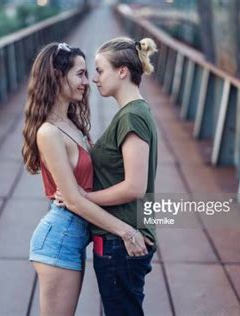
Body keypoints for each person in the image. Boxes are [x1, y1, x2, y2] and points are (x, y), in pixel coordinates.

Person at [22, 42, 152, 316]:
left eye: (90, 73)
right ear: (58, 77)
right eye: (80, 74)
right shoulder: (48, 133)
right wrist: (126, 231)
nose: (88, 81)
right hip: (60, 238)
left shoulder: (72, 124)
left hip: (76, 237)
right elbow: (73, 200)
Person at [56, 36, 159, 316]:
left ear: (122, 71)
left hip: (122, 241)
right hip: (122, 238)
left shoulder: (131, 117)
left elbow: (135, 186)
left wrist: (82, 198)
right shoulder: (133, 113)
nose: (94, 79)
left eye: (100, 70)